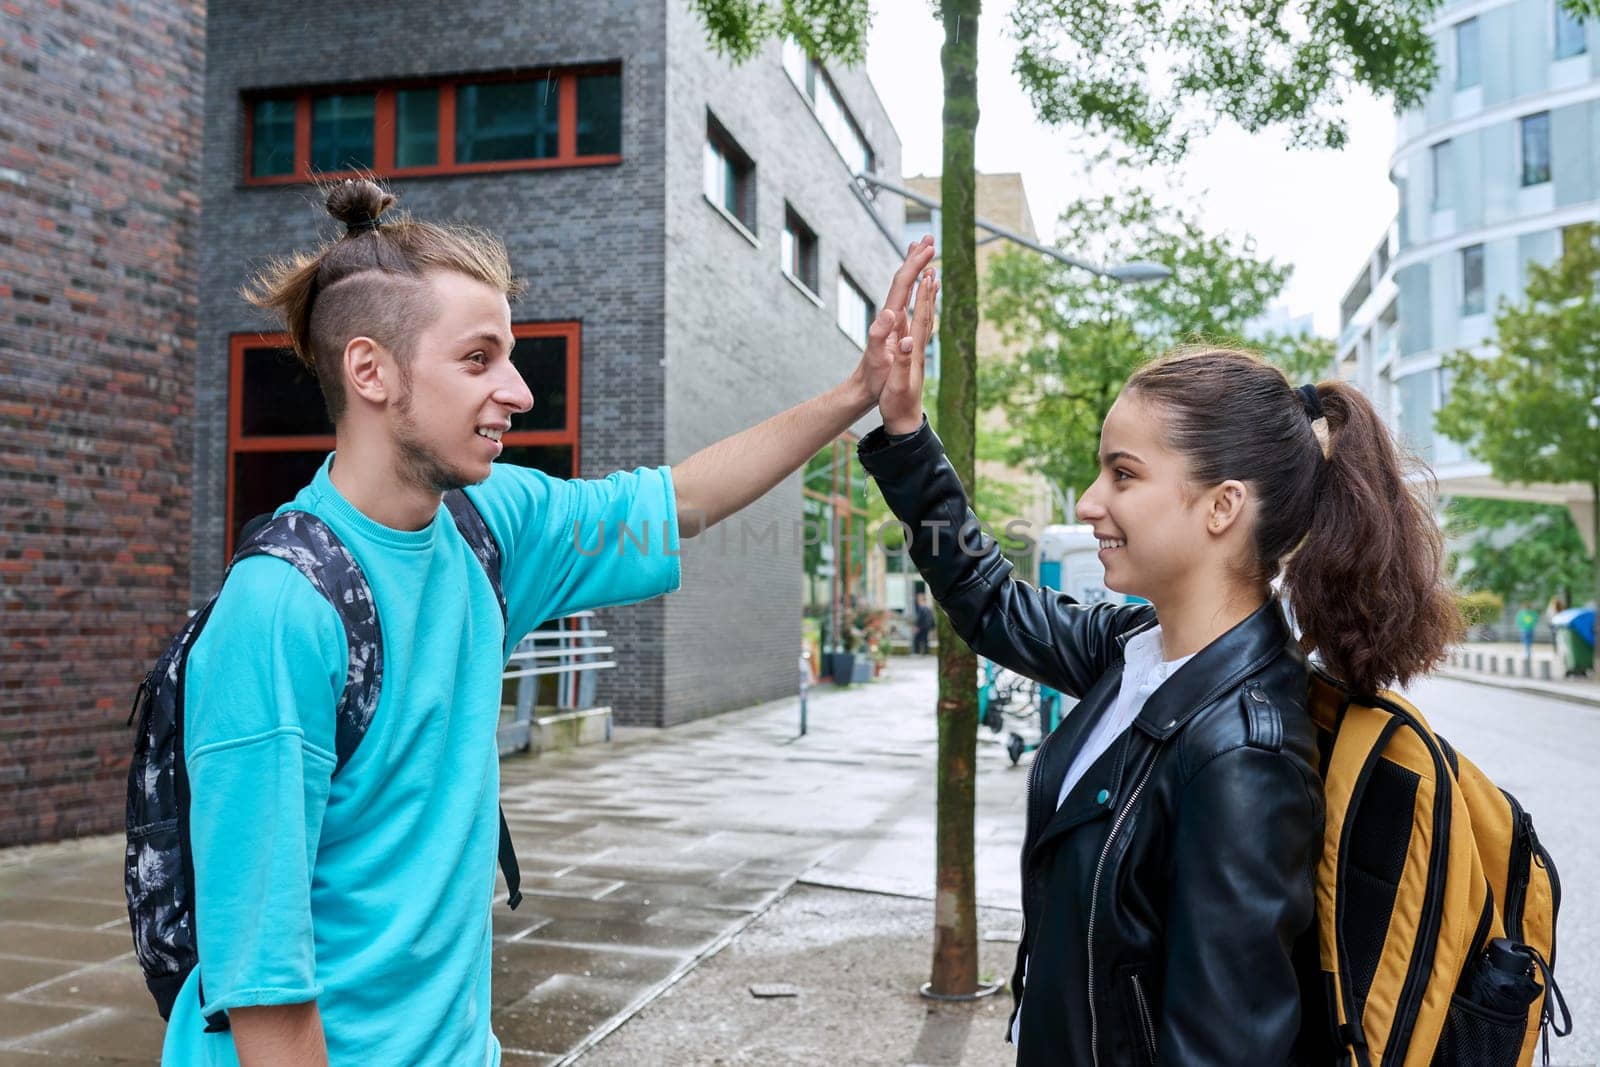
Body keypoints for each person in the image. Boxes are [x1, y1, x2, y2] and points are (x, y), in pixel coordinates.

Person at [165, 177, 938, 1065]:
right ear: (371, 370)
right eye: (478, 359)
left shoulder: (488, 525)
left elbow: (678, 499)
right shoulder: (278, 612)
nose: (519, 390)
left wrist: (855, 394)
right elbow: (263, 986)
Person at [859, 280, 1463, 1064]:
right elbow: (989, 601)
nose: (1087, 501)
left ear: (1222, 506)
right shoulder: (1135, 650)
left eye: (1123, 474)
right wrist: (906, 431)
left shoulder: (1246, 754)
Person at [911, 590, 935, 654]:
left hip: (922, 627)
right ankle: (925, 652)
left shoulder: (922, 608)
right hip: (926, 626)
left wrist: (916, 626)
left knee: (917, 639)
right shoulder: (927, 608)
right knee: (925, 639)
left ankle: (917, 652)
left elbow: (920, 618)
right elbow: (931, 618)